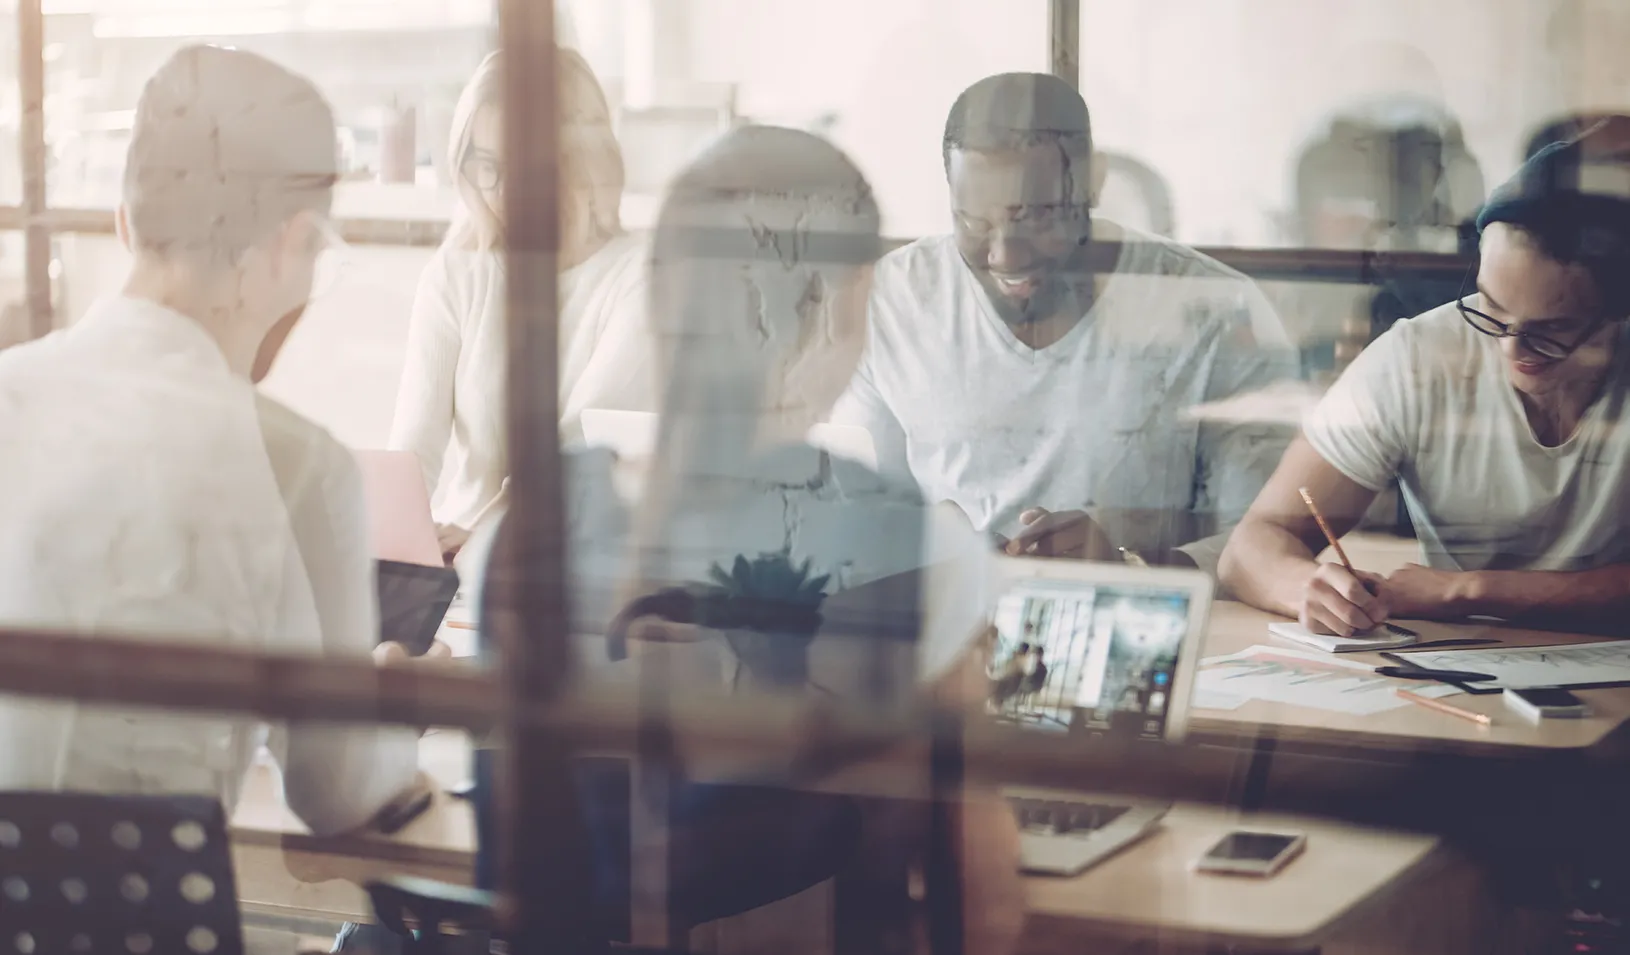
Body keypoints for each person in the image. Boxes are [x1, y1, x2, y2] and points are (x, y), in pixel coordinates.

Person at [458, 125, 1021, 953]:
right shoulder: (916, 548)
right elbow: (982, 905)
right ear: (849, 303)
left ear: (657, 303)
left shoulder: (524, 520)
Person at [0, 46, 424, 842]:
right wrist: (393, 701)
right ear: (288, 244)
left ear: (126, 224)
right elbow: (338, 792)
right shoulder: (294, 463)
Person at [831, 72, 1297, 571]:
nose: (1005, 255)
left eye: (1036, 217)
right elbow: (855, 519)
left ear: (1092, 182)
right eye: (974, 221)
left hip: (1146, 624)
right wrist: (919, 544)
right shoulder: (889, 301)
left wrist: (1128, 566)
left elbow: (1270, 541)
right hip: (953, 626)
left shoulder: (1214, 308)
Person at [1220, 131, 1630, 636]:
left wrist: (1471, 591)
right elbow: (1252, 544)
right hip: (1458, 668)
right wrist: (1306, 587)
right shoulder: (1418, 356)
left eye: (1552, 331)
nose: (1511, 349)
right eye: (1492, 310)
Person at [389, 50, 652, 559]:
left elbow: (577, 453)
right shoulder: (457, 271)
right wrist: (398, 549)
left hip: (574, 567)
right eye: (487, 165)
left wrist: (486, 541)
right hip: (460, 562)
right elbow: (412, 451)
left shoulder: (641, 277)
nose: (504, 191)